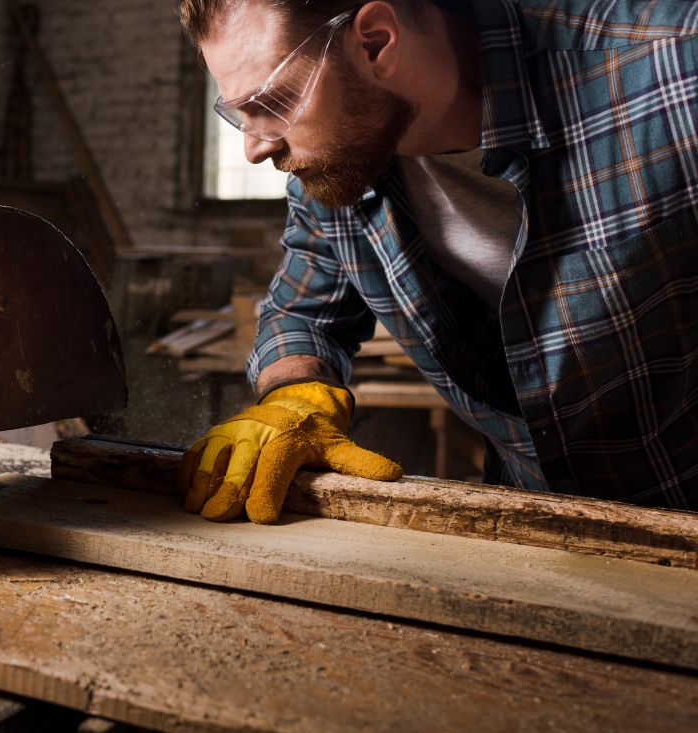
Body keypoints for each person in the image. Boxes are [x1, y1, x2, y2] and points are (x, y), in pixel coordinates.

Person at [177, 0, 698, 524]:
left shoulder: (674, 73)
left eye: (274, 101)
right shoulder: (345, 156)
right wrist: (295, 399)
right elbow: (303, 314)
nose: (255, 149)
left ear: (376, 41)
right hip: (533, 529)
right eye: (238, 114)